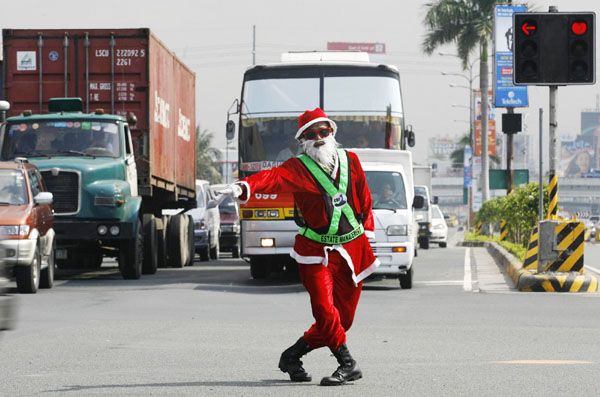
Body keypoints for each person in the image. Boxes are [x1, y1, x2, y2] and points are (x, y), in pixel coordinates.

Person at [217, 107, 378, 386]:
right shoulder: (298, 167)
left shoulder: (351, 160)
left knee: (342, 321)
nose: (318, 138)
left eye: (323, 132)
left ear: (332, 132)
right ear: (302, 139)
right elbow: (271, 177)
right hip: (314, 251)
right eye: (311, 134)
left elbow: (364, 196)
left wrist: (369, 232)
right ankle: (347, 363)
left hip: (351, 248)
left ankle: (292, 356)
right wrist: (243, 187)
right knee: (325, 311)